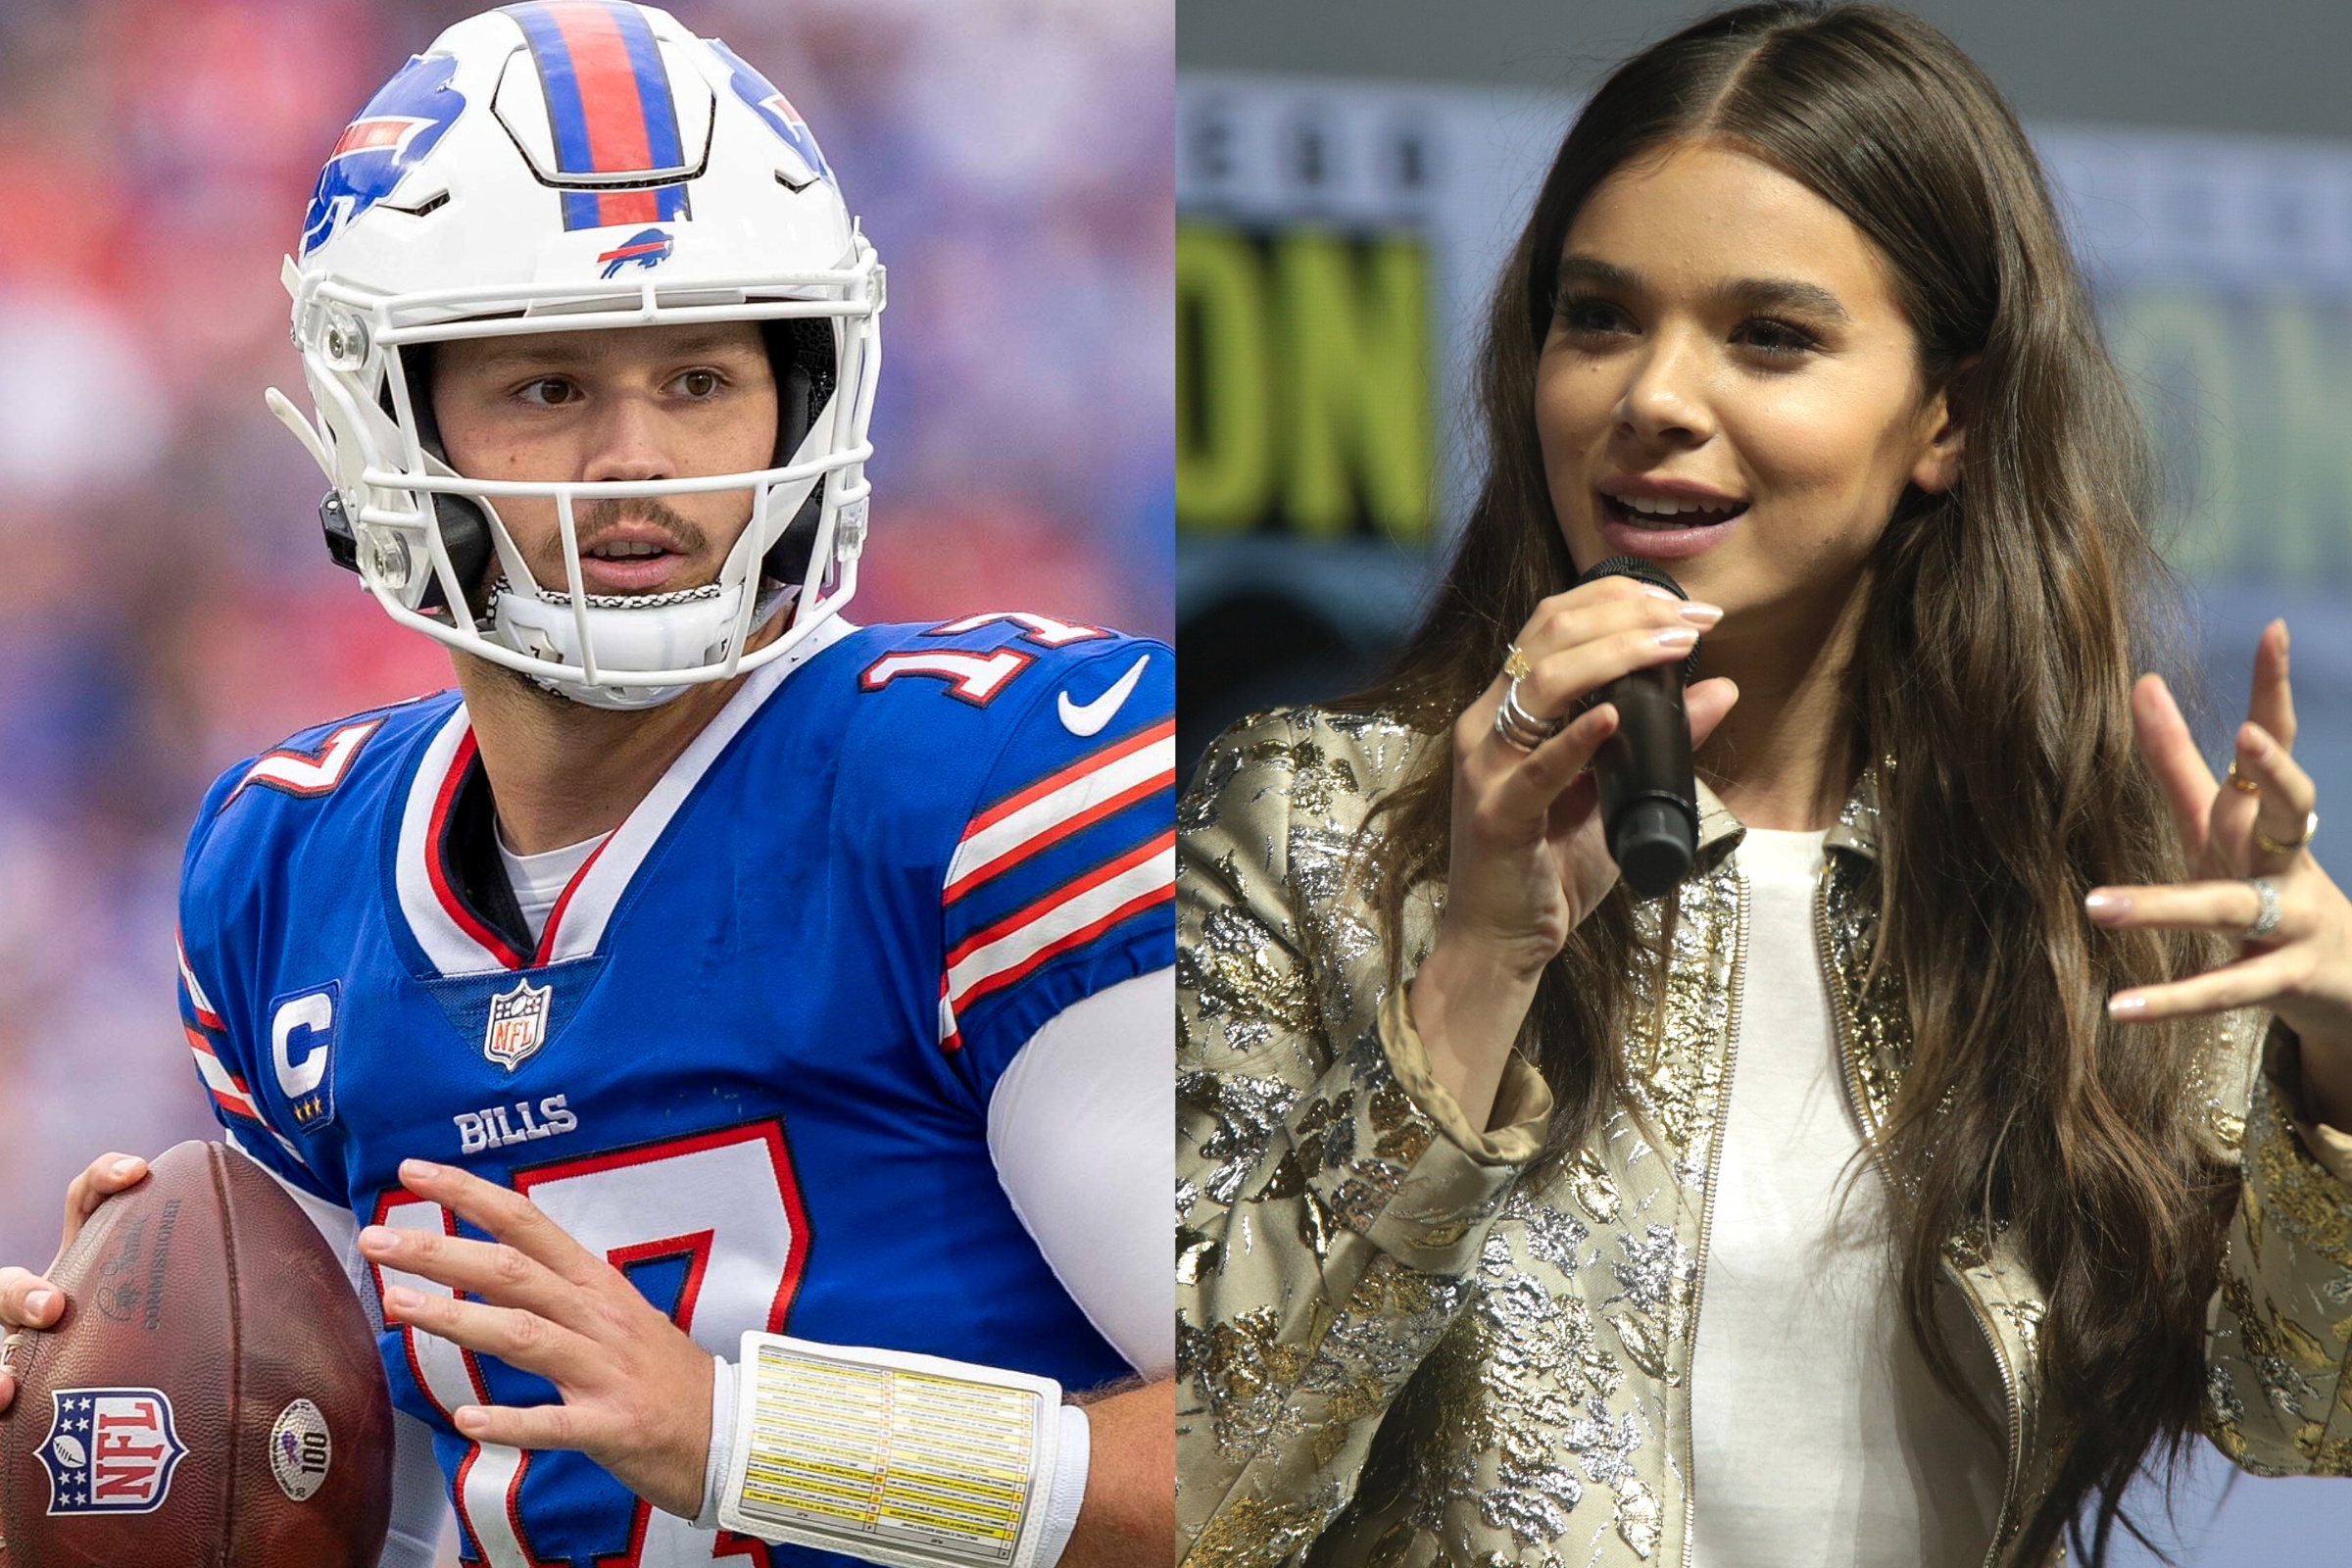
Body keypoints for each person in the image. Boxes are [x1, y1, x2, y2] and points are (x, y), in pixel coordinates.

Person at [1173, 5, 2352, 1566]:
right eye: (1597, 319)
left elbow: (2303, 1415)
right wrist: (1472, 970)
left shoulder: (2093, 894)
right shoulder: (1315, 820)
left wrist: (2337, 1071)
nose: (1654, 396)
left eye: (1768, 337)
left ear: (1953, 415)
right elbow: (1195, 1489)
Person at [0, 6, 1173, 1566]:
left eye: (700, 379)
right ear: (387, 415)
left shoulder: (999, 786)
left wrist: (748, 1438)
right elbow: (381, 1515)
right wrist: (121, 1432)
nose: (641, 461)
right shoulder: (286, 871)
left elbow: (1310, 1436)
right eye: (551, 389)